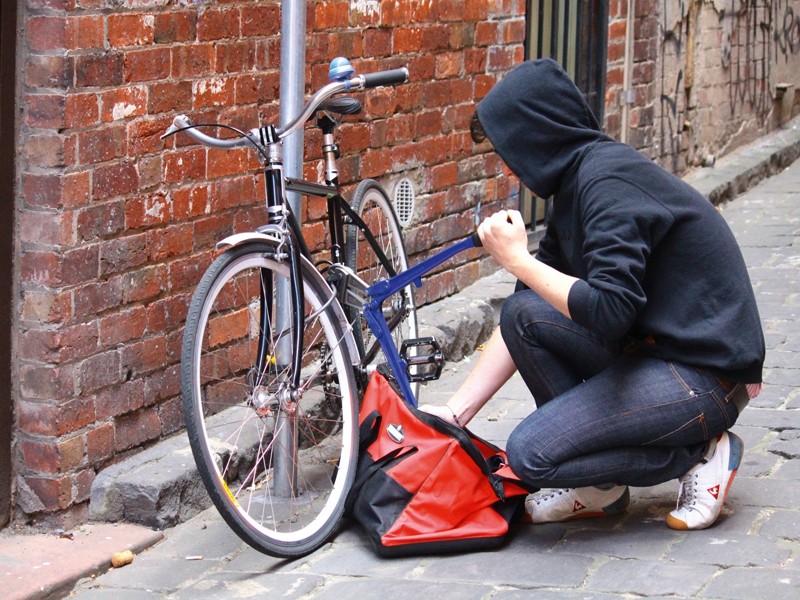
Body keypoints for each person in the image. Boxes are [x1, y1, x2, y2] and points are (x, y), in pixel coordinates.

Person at [420, 58, 765, 531]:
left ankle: (699, 453)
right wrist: (457, 412)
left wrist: (518, 258)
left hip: (706, 374)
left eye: (510, 148)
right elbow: (527, 312)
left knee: (531, 456)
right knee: (523, 313)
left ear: (538, 135)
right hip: (654, 354)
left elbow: (609, 311)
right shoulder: (574, 189)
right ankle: (600, 486)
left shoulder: (607, 183)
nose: (508, 165)